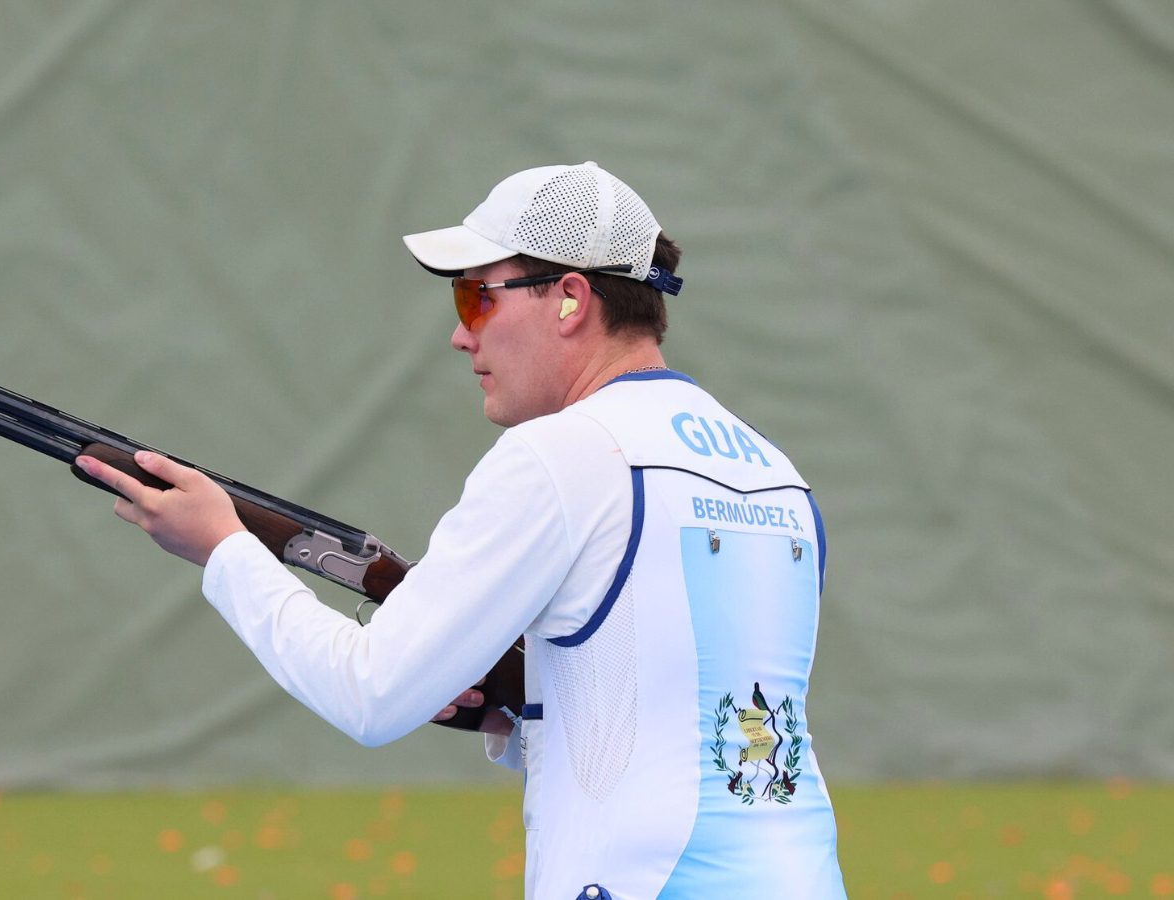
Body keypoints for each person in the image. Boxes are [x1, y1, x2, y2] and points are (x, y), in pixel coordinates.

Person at [75, 162, 846, 898]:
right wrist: (517, 709)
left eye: (478, 298)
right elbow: (683, 717)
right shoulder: (775, 473)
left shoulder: (560, 454)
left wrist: (223, 549)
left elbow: (369, 695)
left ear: (571, 298)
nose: (461, 334)